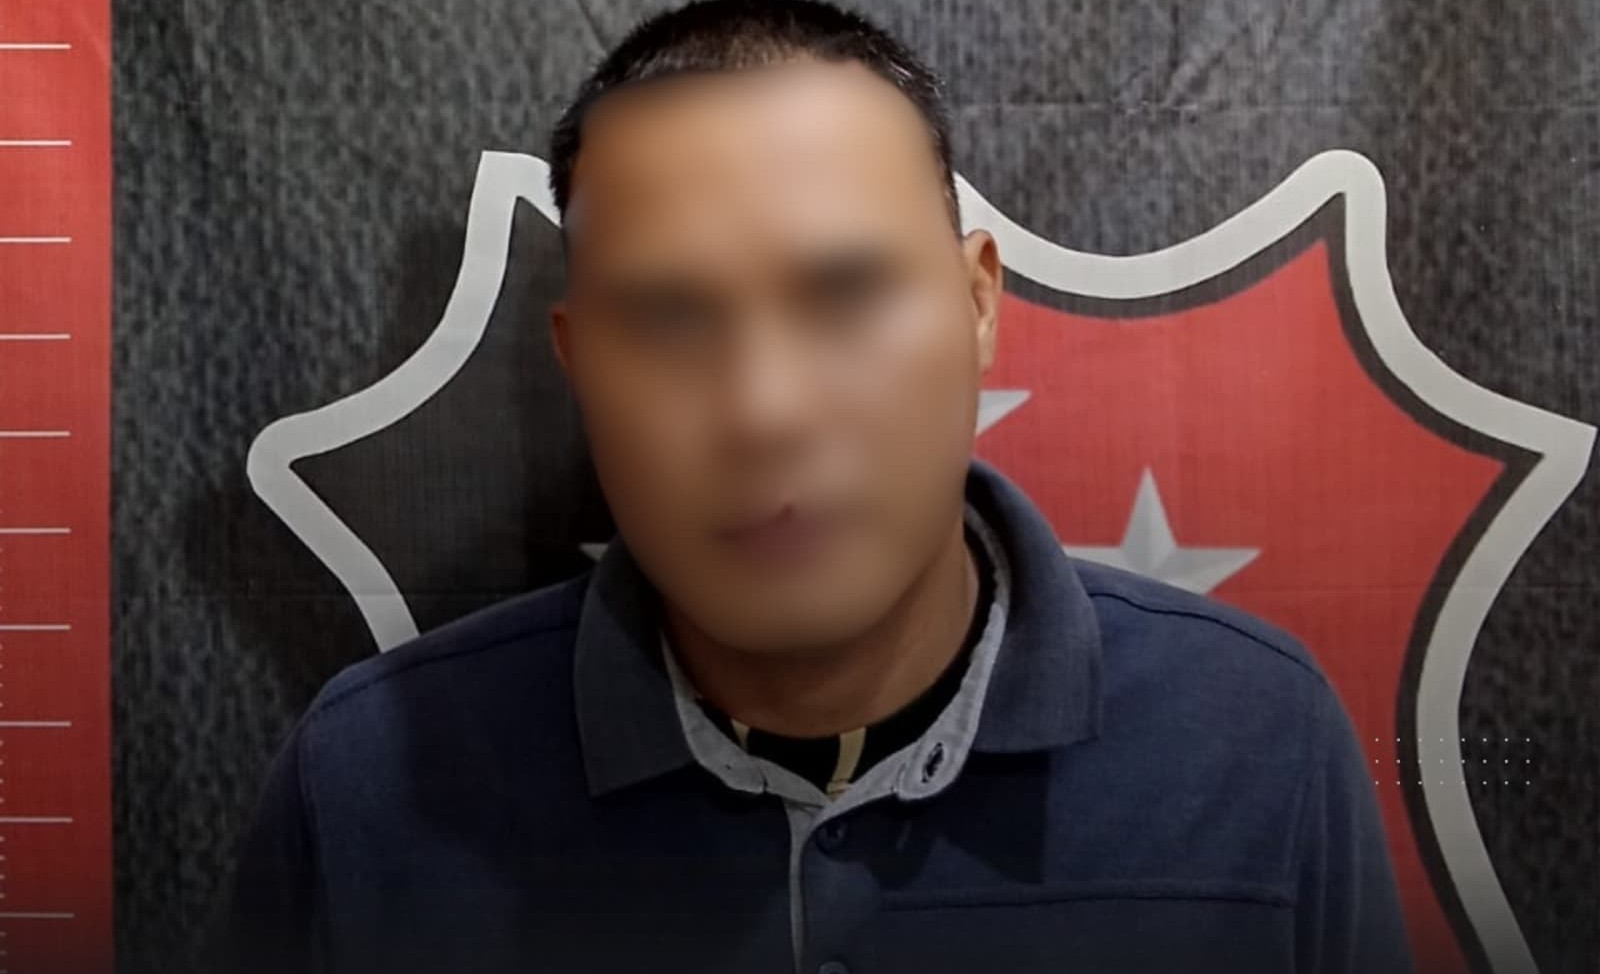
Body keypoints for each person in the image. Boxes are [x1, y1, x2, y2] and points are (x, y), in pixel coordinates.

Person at [213, 2, 1415, 973]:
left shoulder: (1254, 740)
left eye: (844, 294)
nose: (764, 409)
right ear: (577, 361)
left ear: (977, 303)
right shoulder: (368, 782)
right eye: (668, 317)